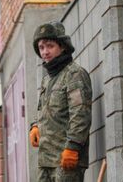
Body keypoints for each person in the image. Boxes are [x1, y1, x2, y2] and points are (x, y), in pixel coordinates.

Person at [29, 21, 92, 182]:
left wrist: (73, 147)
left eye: (50, 46)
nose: (45, 52)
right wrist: (35, 126)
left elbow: (80, 114)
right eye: (41, 48)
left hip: (66, 159)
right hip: (46, 159)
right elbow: (42, 109)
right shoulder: (47, 80)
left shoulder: (74, 74)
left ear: (62, 47)